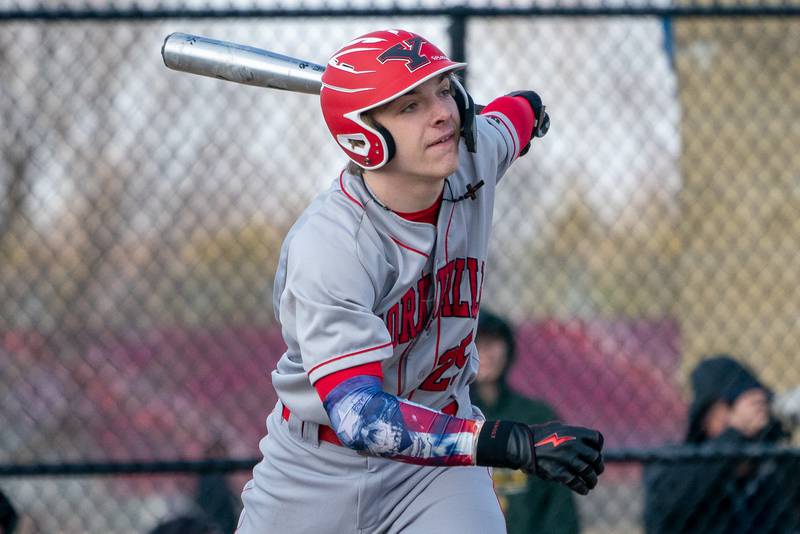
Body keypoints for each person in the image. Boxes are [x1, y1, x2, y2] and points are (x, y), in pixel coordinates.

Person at [237, 28, 604, 534]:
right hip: (317, 467)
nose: (442, 113)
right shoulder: (330, 245)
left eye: (444, 90)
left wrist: (531, 110)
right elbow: (359, 416)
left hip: (434, 472)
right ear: (363, 136)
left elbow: (518, 111)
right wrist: (506, 443)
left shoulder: (473, 156)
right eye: (409, 106)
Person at [643, 354, 800, 534]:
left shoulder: (776, 469)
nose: (742, 417)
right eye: (730, 407)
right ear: (705, 415)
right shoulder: (673, 462)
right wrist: (735, 432)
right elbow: (670, 508)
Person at [472, 309, 580, 534]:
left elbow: (560, 506)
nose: (484, 353)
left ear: (508, 348)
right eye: (476, 343)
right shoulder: (450, 418)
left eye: (492, 343)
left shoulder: (537, 417)